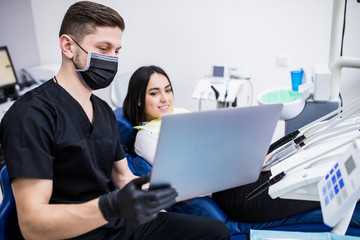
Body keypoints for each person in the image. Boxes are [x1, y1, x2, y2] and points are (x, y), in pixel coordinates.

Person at [0, 2, 230, 240]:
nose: (112, 59)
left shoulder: (102, 111)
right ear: (68, 46)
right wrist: (110, 206)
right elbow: (32, 225)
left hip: (115, 224)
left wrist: (172, 190)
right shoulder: (31, 115)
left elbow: (123, 177)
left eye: (116, 51)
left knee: (214, 232)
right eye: (103, 48)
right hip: (71, 234)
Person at [123, 65, 320, 223]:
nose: (165, 98)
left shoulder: (179, 114)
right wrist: (241, 164)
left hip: (238, 172)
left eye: (167, 90)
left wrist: (247, 153)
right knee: (314, 186)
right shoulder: (146, 137)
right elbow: (187, 177)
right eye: (154, 93)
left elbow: (216, 144)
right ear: (139, 99)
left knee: (296, 140)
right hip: (230, 193)